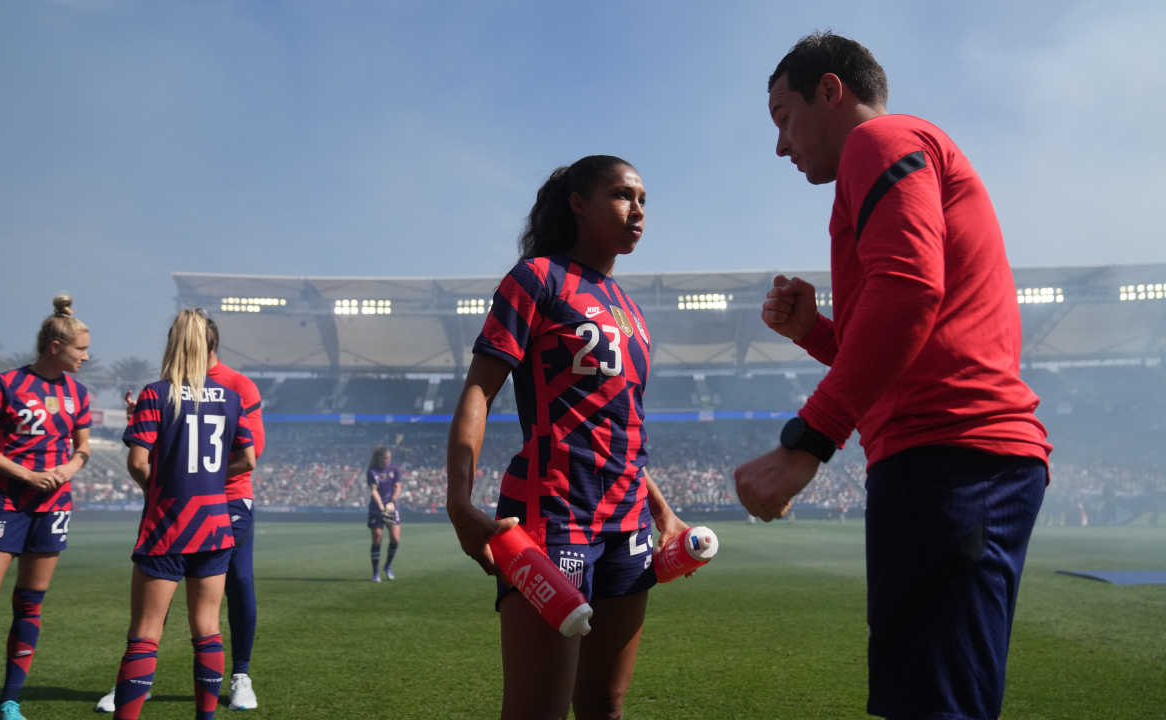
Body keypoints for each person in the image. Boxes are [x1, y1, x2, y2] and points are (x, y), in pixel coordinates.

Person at [734, 33, 1052, 720]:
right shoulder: (899, 150)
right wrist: (814, 334)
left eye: (783, 117)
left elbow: (909, 292)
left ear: (830, 90)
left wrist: (806, 441)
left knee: (932, 707)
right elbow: (908, 342)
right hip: (962, 454)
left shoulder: (877, 142)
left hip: (947, 457)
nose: (781, 146)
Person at [447, 155, 691, 720]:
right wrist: (459, 500)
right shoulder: (535, 279)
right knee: (538, 712)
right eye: (623, 195)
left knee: (605, 706)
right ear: (578, 203)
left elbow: (618, 425)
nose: (638, 211)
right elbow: (479, 392)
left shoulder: (632, 311)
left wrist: (662, 512)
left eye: (644, 201)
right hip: (552, 517)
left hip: (627, 526)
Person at [97, 317, 265, 713]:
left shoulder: (157, 394)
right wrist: (204, 480)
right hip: (214, 522)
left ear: (174, 344)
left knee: (144, 633)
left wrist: (166, 486)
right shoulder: (229, 396)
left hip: (170, 521)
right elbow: (248, 458)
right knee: (207, 631)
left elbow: (138, 463)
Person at [0, 294, 92, 720]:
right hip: (7, 503)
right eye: (81, 349)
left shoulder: (79, 393)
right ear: (55, 347)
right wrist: (26, 475)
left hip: (54, 506)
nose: (87, 357)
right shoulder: (5, 385)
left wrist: (67, 469)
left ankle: (9, 702)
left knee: (30, 604)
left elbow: (83, 449)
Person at [366, 446, 401, 582]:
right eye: (385, 458)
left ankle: (387, 565)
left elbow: (398, 487)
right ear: (379, 458)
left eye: (389, 458)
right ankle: (376, 573)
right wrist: (381, 506)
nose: (388, 460)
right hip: (376, 508)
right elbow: (373, 490)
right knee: (377, 539)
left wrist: (392, 501)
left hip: (391, 507)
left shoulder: (394, 469)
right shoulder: (372, 471)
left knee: (395, 538)